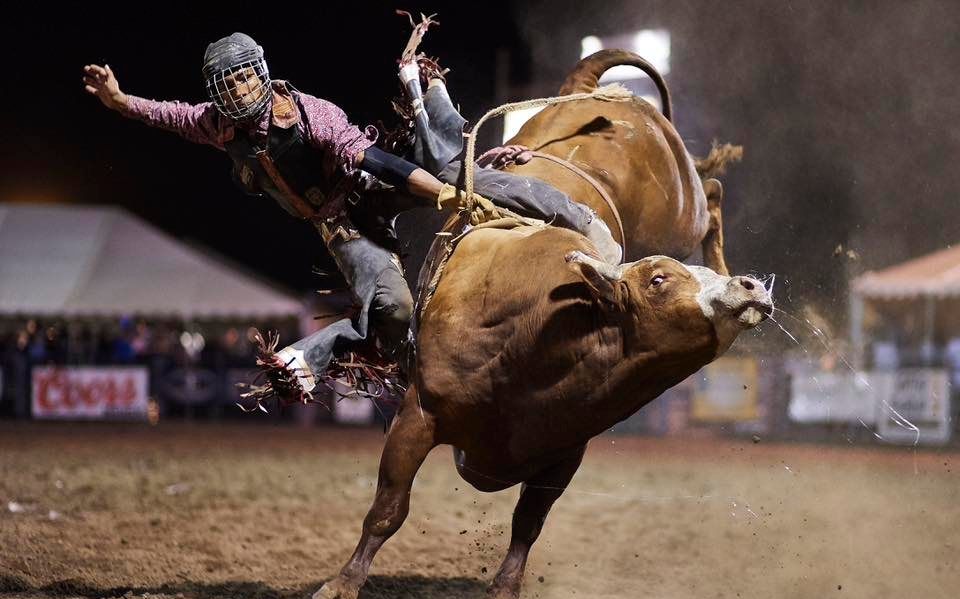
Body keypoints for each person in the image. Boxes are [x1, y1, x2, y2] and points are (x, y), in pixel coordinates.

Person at [83, 31, 620, 403]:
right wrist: (119, 99)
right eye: (230, 85)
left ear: (262, 75)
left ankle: (579, 219)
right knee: (391, 306)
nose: (241, 91)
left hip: (373, 187)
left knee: (478, 183)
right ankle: (415, 374)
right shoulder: (216, 124)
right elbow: (166, 115)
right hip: (342, 226)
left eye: (245, 79)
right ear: (218, 93)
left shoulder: (311, 114)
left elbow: (377, 162)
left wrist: (442, 195)